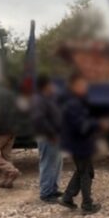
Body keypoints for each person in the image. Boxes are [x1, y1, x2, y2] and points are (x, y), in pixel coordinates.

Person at [58, 73, 109, 214]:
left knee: (83, 171)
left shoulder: (77, 101)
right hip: (79, 144)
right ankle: (87, 204)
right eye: (82, 85)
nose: (85, 87)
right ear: (74, 86)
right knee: (86, 173)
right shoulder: (73, 103)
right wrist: (99, 124)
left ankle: (67, 197)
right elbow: (81, 126)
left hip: (80, 143)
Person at [31, 74, 63, 202]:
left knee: (56, 164)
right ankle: (46, 193)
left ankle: (53, 189)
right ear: (45, 86)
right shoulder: (38, 99)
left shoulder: (48, 97)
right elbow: (39, 120)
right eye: (51, 84)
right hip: (47, 137)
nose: (53, 86)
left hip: (54, 136)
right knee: (48, 164)